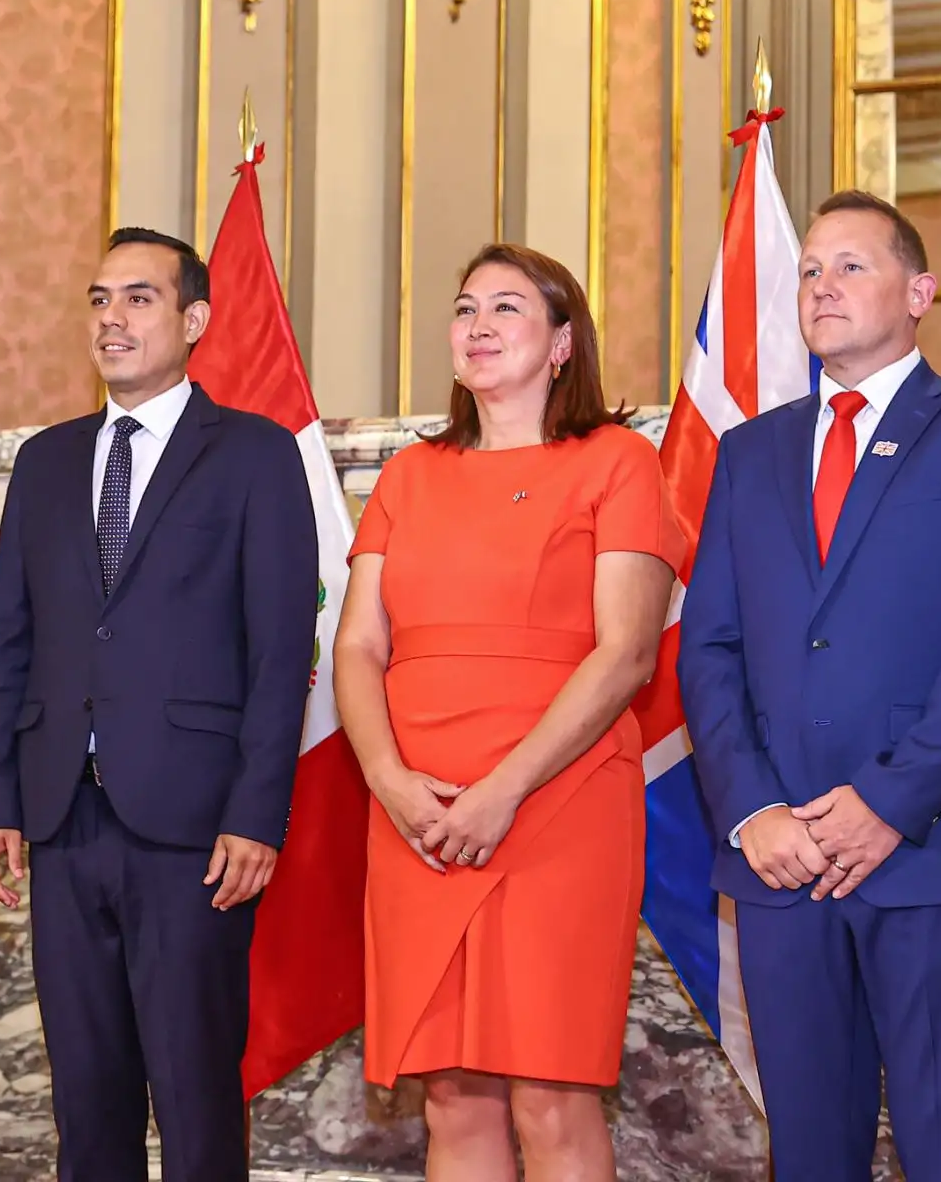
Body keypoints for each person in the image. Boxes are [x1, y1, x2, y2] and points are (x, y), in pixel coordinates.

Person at [677, 189, 941, 1181]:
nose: (821, 285)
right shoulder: (748, 452)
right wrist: (753, 807)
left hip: (932, 846)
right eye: (808, 269)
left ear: (919, 291)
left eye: (851, 265)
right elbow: (710, 647)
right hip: (781, 859)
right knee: (807, 1149)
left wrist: (889, 800)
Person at [0, 227, 319, 1182]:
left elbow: (283, 651)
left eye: (138, 298)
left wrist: (257, 815)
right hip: (61, 814)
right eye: (98, 299)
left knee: (197, 1093)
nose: (111, 319)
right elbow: (7, 642)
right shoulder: (45, 462)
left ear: (195, 319)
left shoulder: (254, 455)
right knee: (87, 1096)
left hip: (194, 827)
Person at [334, 244, 681, 1181]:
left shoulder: (618, 462)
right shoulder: (409, 478)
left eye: (508, 309)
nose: (478, 326)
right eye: (464, 309)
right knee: (452, 1095)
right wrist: (390, 781)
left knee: (552, 1092)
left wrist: (502, 789)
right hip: (417, 811)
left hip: (553, 803)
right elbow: (361, 647)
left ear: (564, 343)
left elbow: (627, 652)